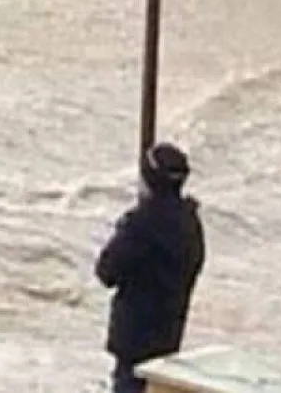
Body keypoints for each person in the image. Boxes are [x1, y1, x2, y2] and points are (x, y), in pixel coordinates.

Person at [95, 143, 206, 393]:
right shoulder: (190, 222)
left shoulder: (142, 224)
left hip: (134, 338)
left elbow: (106, 270)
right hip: (170, 332)